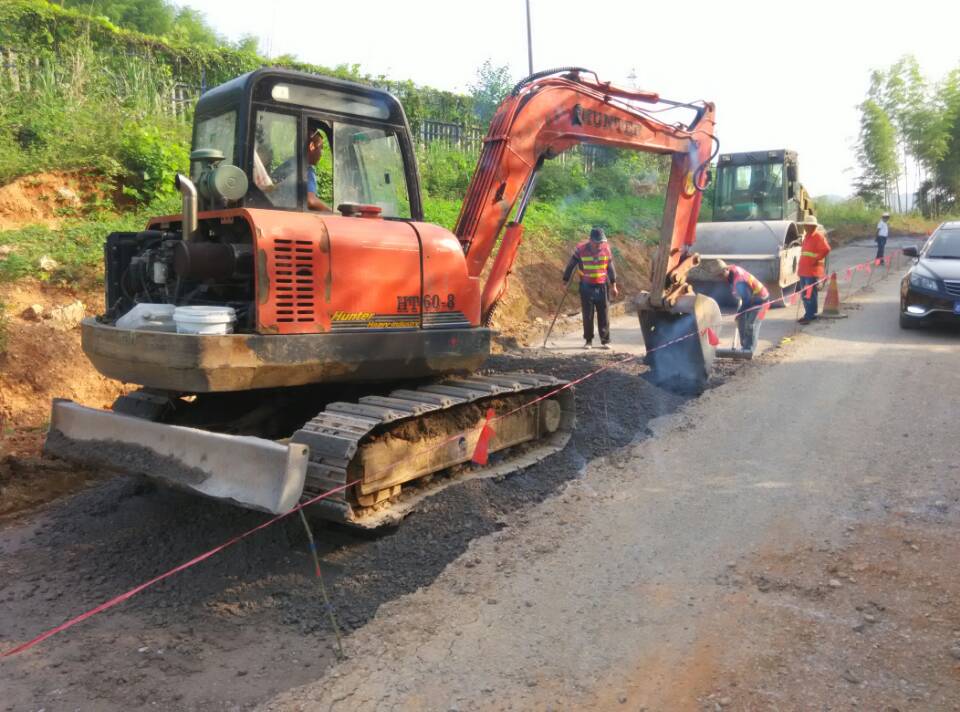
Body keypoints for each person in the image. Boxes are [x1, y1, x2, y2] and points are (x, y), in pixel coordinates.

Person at [562, 227, 619, 349]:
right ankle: (588, 341)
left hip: (602, 286)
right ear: (590, 240)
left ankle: (605, 340)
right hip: (586, 287)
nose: (599, 245)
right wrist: (565, 282)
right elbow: (571, 265)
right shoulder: (580, 250)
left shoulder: (606, 249)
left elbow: (610, 268)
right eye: (597, 242)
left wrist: (614, 285)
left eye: (601, 242)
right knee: (588, 315)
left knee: (604, 314)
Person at [702, 259, 769, 352]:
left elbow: (747, 300)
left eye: (720, 275)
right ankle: (744, 347)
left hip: (760, 299)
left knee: (751, 324)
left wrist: (739, 313)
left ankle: (749, 350)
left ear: (726, 270)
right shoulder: (730, 271)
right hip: (750, 297)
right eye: (718, 276)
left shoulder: (739, 280)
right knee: (741, 320)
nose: (720, 278)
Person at [796, 215, 831, 325]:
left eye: (807, 225)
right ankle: (808, 314)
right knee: (805, 295)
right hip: (804, 271)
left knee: (810, 295)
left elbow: (826, 249)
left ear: (812, 226)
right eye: (805, 225)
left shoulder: (818, 237)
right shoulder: (807, 237)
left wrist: (815, 259)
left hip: (811, 272)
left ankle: (811, 315)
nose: (805, 227)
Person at [305, 127, 333, 212]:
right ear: (312, 146)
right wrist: (331, 212)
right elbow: (311, 200)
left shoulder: (289, 164)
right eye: (321, 148)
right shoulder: (307, 171)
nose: (322, 153)